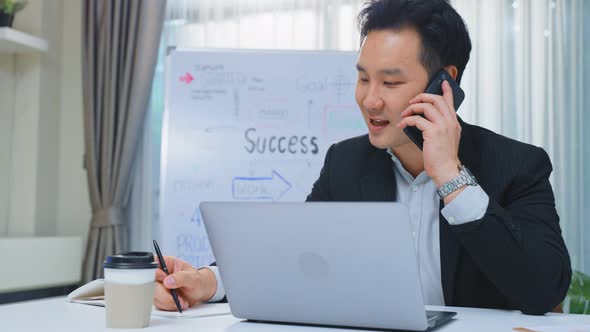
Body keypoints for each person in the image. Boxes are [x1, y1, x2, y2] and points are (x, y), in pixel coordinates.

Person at [154, 0, 571, 315]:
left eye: (390, 82)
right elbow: (295, 251)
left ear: (446, 82)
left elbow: (543, 290)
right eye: (362, 78)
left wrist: (450, 176)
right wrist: (209, 281)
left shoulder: (517, 165)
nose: (370, 100)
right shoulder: (346, 163)